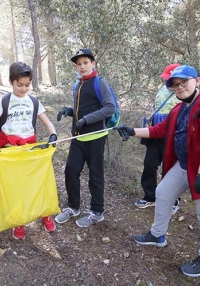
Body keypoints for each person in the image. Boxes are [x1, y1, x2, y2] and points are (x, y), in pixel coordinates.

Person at [115, 65, 200, 277]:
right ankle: (157, 235)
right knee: (162, 193)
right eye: (174, 85)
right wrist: (132, 131)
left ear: (197, 80)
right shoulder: (178, 109)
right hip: (185, 165)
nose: (179, 87)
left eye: (183, 82)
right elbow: (160, 130)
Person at [0, 61, 58, 240]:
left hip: (30, 148)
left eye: (27, 85)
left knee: (37, 182)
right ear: (11, 82)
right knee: (15, 187)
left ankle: (44, 213)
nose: (24, 89)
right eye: (20, 85)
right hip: (10, 150)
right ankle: (18, 222)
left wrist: (53, 134)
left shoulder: (33, 101)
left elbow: (47, 122)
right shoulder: (4, 101)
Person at [55, 48, 116, 228]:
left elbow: (109, 108)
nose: (82, 67)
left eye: (85, 63)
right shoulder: (77, 85)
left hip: (96, 136)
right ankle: (73, 207)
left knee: (95, 175)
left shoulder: (99, 82)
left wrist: (86, 120)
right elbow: (83, 109)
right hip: (78, 137)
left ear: (93, 63)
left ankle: (97, 213)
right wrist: (69, 111)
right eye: (79, 64)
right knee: (71, 170)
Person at [136, 63, 182, 215]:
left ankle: (173, 199)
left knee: (170, 169)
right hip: (156, 133)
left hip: (174, 135)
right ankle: (150, 196)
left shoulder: (183, 94)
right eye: (166, 79)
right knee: (149, 164)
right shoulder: (161, 91)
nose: (167, 82)